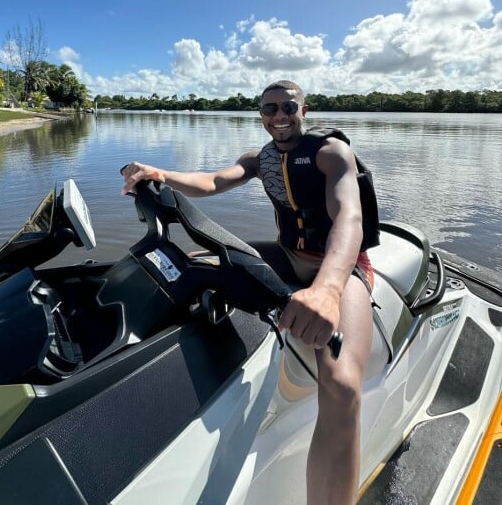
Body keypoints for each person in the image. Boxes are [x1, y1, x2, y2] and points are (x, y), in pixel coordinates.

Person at [121, 80, 373, 505]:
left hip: (339, 268)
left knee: (343, 386)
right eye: (269, 108)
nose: (278, 115)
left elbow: (349, 217)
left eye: (287, 107)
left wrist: (328, 290)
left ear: (304, 109)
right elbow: (212, 181)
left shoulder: (332, 154)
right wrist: (161, 174)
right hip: (287, 255)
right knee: (190, 264)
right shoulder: (261, 159)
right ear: (260, 115)